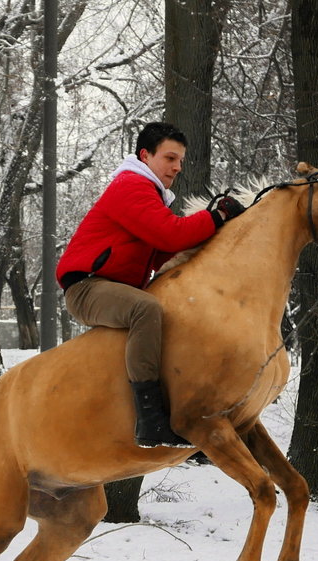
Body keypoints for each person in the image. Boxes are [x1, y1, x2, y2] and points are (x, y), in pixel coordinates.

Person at [56, 121, 244, 448]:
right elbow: (168, 234)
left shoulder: (151, 193)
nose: (177, 167)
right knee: (146, 309)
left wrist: (216, 227)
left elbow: (162, 250)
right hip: (87, 287)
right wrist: (215, 217)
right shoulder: (131, 185)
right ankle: (150, 420)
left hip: (113, 287)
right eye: (170, 158)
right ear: (145, 155)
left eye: (181, 161)